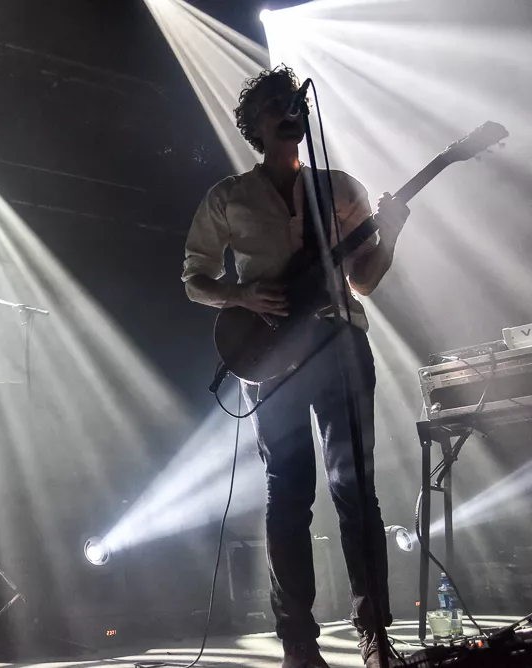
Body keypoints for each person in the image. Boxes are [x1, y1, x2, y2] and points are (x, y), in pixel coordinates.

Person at [181, 66, 410, 668]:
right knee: (289, 494)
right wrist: (240, 296)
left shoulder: (338, 186)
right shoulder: (228, 197)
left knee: (356, 487)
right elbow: (194, 278)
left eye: (293, 104)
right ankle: (299, 643)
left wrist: (390, 235)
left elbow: (363, 279)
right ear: (256, 126)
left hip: (340, 344)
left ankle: (374, 631)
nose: (290, 113)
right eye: (276, 107)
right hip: (275, 358)